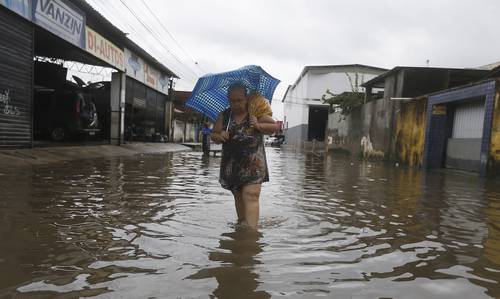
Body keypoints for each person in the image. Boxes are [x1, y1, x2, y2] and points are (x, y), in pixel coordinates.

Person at [211, 83, 277, 229]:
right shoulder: (225, 115)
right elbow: (213, 135)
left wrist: (258, 125)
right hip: (232, 163)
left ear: (246, 98)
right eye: (232, 101)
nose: (236, 104)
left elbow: (274, 127)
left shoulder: (256, 111)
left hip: (253, 163)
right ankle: (242, 225)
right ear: (229, 100)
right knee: (239, 196)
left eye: (239, 100)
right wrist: (219, 135)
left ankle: (251, 234)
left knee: (251, 195)